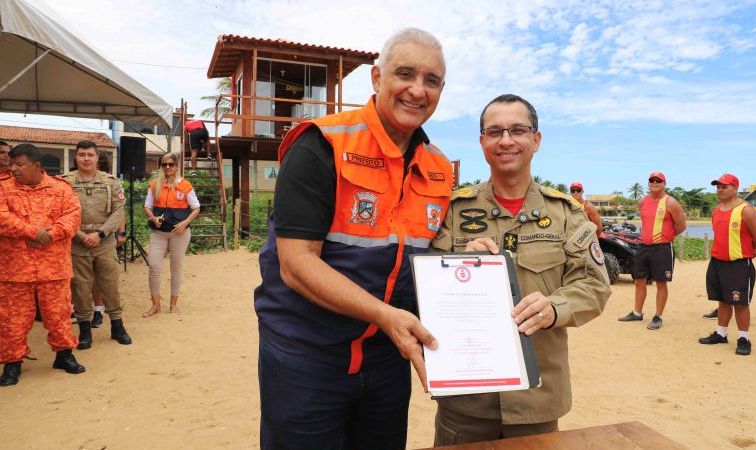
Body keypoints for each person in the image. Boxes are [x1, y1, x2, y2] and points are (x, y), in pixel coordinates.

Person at [253, 28, 451, 450]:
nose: (417, 90)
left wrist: (467, 260)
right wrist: (385, 315)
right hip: (306, 357)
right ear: (377, 78)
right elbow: (296, 264)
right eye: (405, 74)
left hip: (388, 358)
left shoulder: (438, 168)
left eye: (431, 80)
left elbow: (428, 255)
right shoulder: (321, 144)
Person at [429, 94, 611, 444]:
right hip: (466, 400)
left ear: (536, 139)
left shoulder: (566, 213)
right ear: (482, 141)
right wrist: (457, 266)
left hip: (535, 397)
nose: (506, 140)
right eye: (494, 131)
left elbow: (593, 285)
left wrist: (554, 308)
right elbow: (423, 287)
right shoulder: (452, 211)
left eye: (518, 130)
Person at [0, 144, 86, 386]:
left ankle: (64, 356)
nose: (13, 168)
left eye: (19, 164)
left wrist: (50, 233)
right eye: (11, 164)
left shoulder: (61, 189)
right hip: (15, 269)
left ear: (37, 166)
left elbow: (72, 217)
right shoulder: (3, 187)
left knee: (58, 314)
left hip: (54, 268)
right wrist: (31, 232)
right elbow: (2, 217)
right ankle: (12, 364)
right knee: (12, 319)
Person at [65, 140, 131, 349]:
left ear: (96, 158)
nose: (86, 158)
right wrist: (82, 235)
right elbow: (60, 213)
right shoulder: (65, 183)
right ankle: (85, 330)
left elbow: (119, 210)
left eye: (90, 155)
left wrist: (100, 234)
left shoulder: (110, 182)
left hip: (104, 242)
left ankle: (117, 326)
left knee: (110, 285)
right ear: (76, 157)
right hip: (78, 242)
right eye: (82, 154)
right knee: (81, 288)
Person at [698, 174, 756, 356]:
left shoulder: (746, 210)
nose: (719, 189)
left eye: (724, 186)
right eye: (718, 186)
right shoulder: (716, 210)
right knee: (722, 299)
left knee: (740, 302)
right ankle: (721, 334)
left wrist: (747, 250)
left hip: (739, 264)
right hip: (718, 262)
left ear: (735, 188)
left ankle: (744, 338)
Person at [618, 172, 686, 330]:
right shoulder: (643, 202)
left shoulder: (671, 202)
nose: (654, 183)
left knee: (661, 283)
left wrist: (666, 236)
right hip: (644, 246)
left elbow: (681, 226)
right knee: (639, 280)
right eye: (651, 180)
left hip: (662, 248)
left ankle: (658, 316)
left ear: (664, 183)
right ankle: (637, 312)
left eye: (658, 180)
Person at [143, 153, 200, 317]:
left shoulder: (185, 185)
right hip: (159, 233)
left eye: (171, 164)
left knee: (176, 268)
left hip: (179, 233)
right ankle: (155, 305)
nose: (167, 167)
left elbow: (196, 208)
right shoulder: (154, 184)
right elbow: (148, 206)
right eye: (164, 164)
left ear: (176, 166)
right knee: (154, 266)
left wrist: (185, 223)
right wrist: (152, 217)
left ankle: (173, 304)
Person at [89, 151, 127, 328]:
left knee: (102, 278)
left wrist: (121, 233)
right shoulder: (77, 182)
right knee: (83, 278)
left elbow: (120, 211)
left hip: (106, 238)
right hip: (84, 239)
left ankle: (99, 310)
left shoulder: (112, 183)